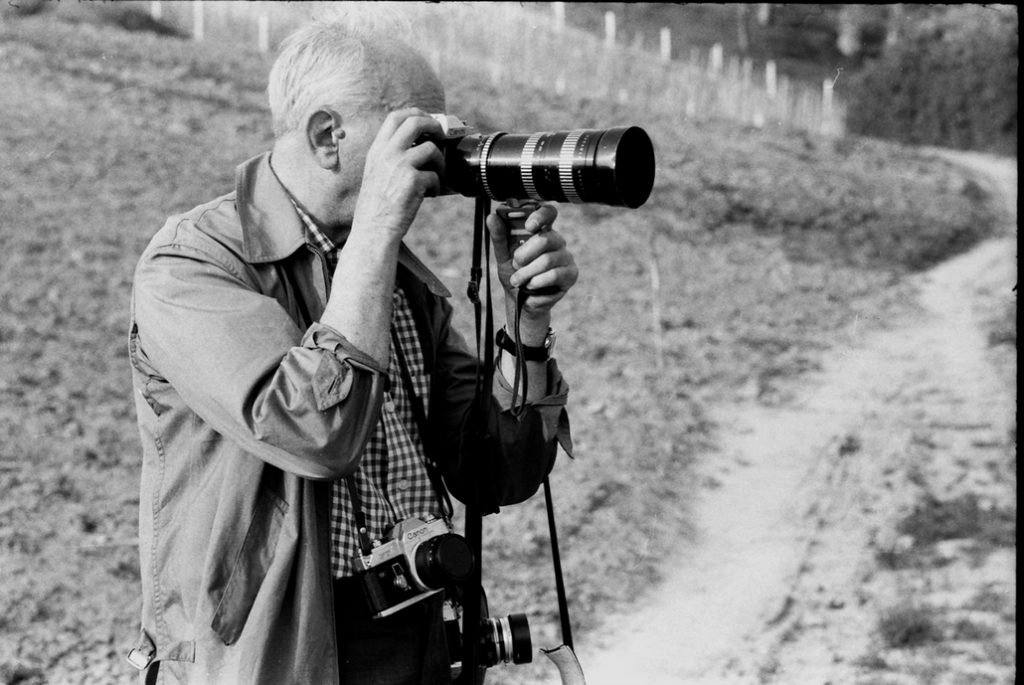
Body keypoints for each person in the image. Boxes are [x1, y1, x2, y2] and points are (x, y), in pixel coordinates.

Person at [125, 15, 577, 685]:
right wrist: (376, 234)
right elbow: (312, 428)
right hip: (279, 655)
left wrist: (525, 322)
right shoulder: (192, 263)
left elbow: (492, 472)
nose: (435, 160)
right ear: (328, 136)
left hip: (420, 640)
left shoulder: (397, 276)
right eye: (414, 133)